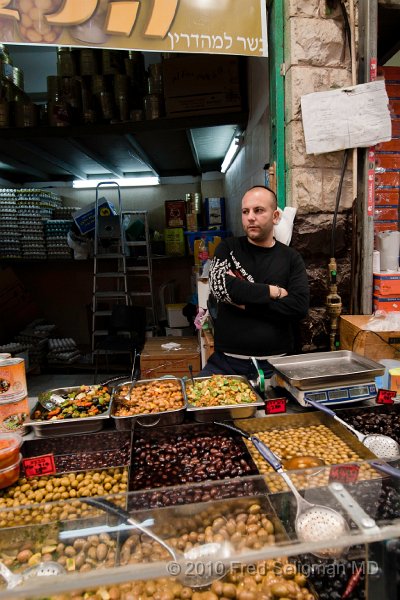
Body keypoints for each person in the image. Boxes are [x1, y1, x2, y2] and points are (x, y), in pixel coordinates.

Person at [199, 185, 309, 380]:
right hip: (226, 365)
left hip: (277, 366)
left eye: (258, 210)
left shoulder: (291, 258)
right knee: (198, 407)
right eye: (245, 211)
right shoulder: (228, 248)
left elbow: (298, 308)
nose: (250, 217)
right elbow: (219, 287)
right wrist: (272, 292)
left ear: (275, 216)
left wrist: (242, 302)